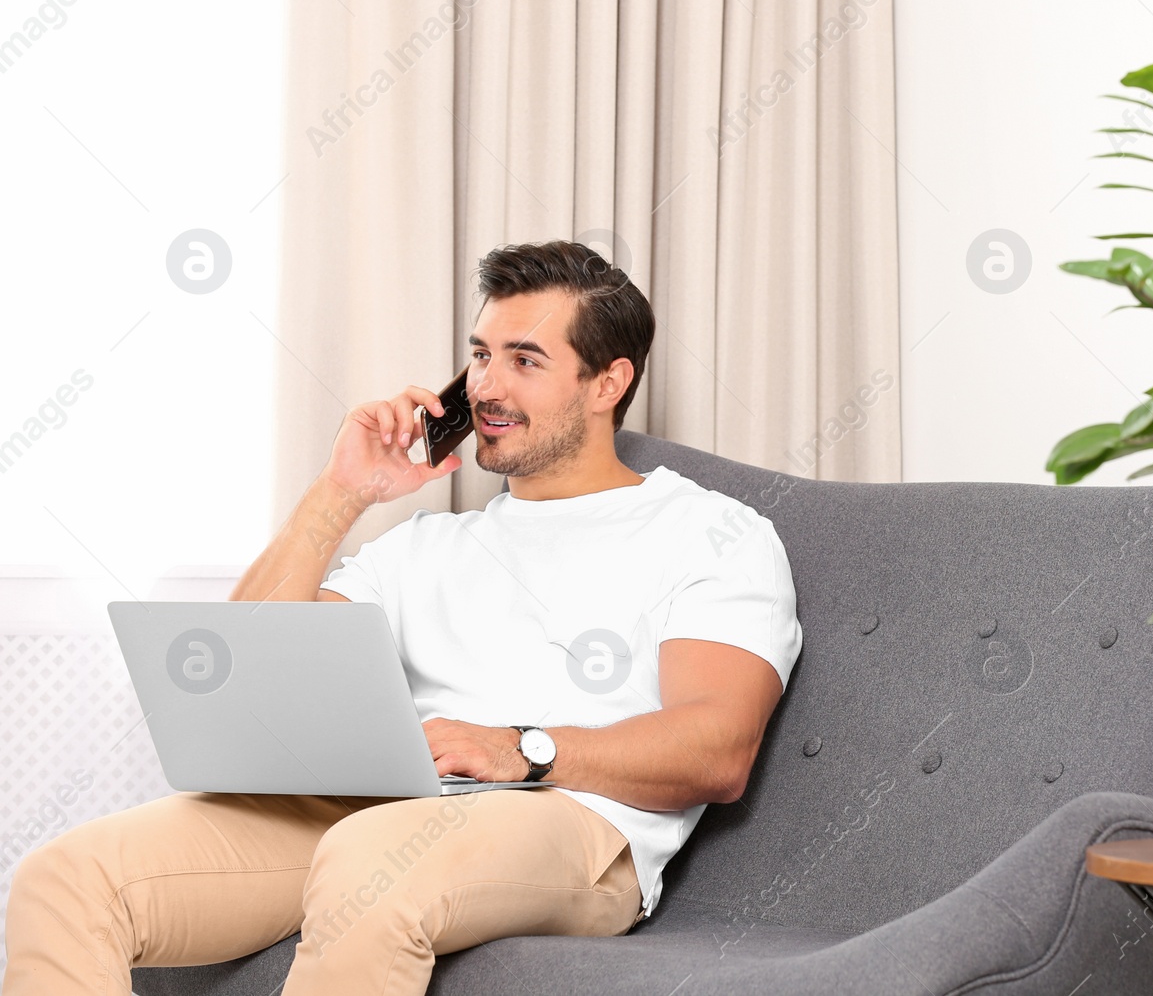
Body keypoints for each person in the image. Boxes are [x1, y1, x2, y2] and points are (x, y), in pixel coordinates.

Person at [3, 240, 803, 996]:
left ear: (607, 383)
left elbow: (718, 746)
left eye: (525, 360)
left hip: (575, 822)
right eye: (482, 354)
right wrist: (342, 490)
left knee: (372, 856)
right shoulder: (426, 546)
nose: (487, 387)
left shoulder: (710, 531)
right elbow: (243, 656)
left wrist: (520, 748)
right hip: (379, 812)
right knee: (68, 877)